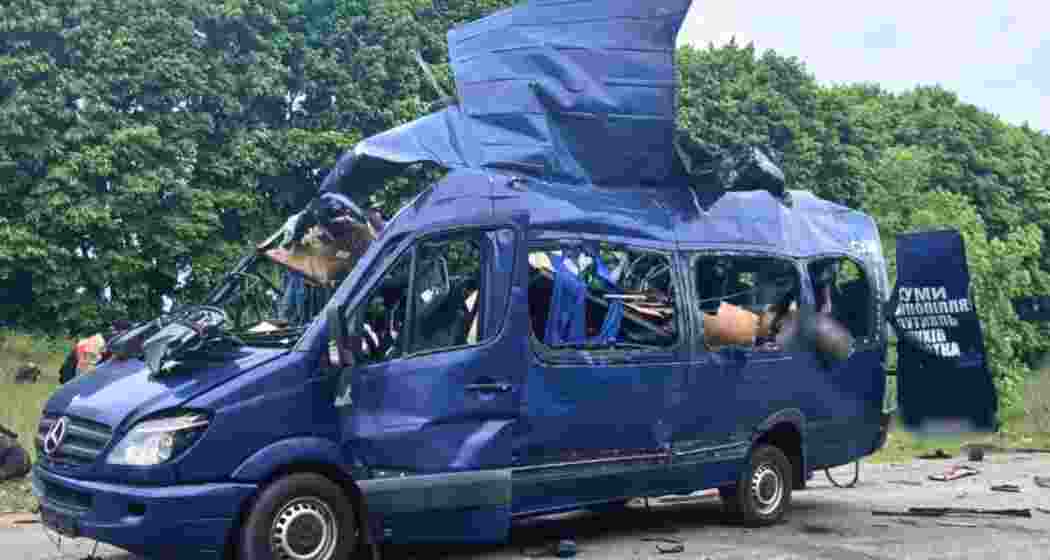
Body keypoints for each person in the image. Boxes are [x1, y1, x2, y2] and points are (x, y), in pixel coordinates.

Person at [59, 319, 133, 384]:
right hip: (73, 368)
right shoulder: (99, 342)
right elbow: (83, 371)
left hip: (83, 363)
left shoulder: (113, 342)